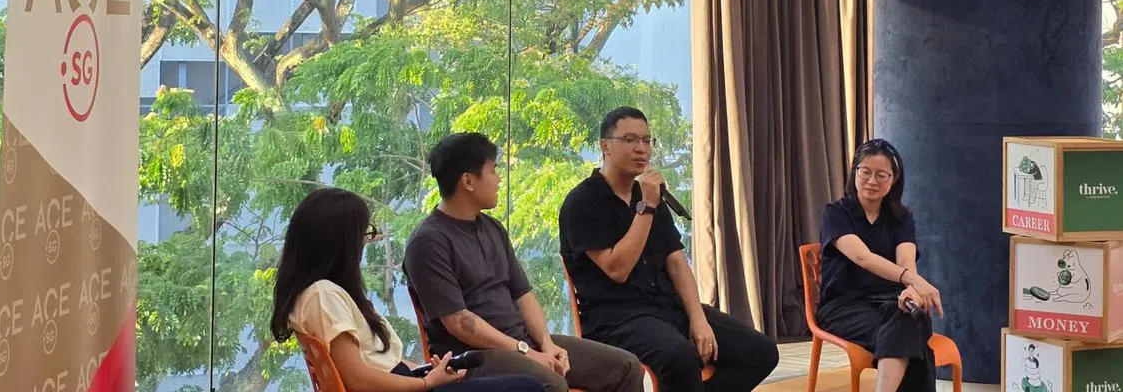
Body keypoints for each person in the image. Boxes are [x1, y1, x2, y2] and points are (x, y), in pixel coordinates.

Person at [559, 107, 779, 392]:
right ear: (605, 147)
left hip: (666, 307)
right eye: (629, 140)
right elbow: (617, 269)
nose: (641, 149)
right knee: (680, 358)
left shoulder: (648, 196)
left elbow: (676, 262)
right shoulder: (583, 203)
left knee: (760, 352)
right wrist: (647, 207)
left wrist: (698, 319)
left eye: (647, 140)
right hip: (616, 319)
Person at [403, 132, 643, 392]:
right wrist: (525, 352)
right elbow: (461, 324)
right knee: (550, 382)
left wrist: (546, 344)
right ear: (468, 181)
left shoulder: (492, 228)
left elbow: (523, 294)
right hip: (472, 357)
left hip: (523, 342)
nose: (498, 180)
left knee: (626, 366)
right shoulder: (427, 242)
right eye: (493, 171)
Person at [270, 186, 543, 392]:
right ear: (339, 242)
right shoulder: (323, 295)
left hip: (404, 380)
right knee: (527, 387)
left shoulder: (315, 293)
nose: (365, 243)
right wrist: (426, 383)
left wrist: (426, 371)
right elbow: (357, 379)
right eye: (364, 234)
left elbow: (376, 361)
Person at [816, 139, 944, 392]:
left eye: (881, 175)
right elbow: (863, 258)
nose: (872, 181)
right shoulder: (836, 213)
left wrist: (911, 289)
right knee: (912, 332)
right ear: (855, 172)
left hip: (890, 302)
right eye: (865, 172)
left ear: (894, 179)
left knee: (909, 318)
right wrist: (914, 281)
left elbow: (906, 260)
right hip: (844, 306)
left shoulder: (900, 217)